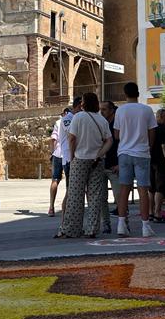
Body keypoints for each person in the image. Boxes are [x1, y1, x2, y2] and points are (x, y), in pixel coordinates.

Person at [55, 93, 112, 239]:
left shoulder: (78, 117)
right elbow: (109, 140)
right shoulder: (101, 120)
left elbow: (72, 138)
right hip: (96, 161)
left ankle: (71, 229)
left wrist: (72, 155)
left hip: (80, 158)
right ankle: (91, 229)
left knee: (75, 195)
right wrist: (99, 154)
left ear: (84, 104)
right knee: (95, 195)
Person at [114, 82, 158, 238]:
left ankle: (121, 224)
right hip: (141, 152)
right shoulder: (146, 110)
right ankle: (145, 226)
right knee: (143, 190)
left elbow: (117, 135)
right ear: (138, 93)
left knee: (124, 189)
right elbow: (152, 132)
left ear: (125, 93)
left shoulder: (120, 111)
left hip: (124, 152)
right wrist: (149, 147)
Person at [48, 105, 73, 217]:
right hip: (68, 154)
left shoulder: (59, 122)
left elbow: (53, 139)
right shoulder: (74, 120)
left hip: (58, 153)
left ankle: (51, 207)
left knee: (55, 180)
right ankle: (67, 207)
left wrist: (52, 153)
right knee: (70, 182)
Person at [149, 109, 165, 222]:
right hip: (160, 162)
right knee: (160, 188)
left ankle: (150, 212)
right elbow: (164, 147)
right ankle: (157, 213)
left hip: (150, 160)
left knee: (151, 188)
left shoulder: (151, 128)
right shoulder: (162, 130)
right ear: (161, 117)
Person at [99, 100, 120, 234]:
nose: (101, 112)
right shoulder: (100, 124)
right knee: (101, 198)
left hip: (114, 166)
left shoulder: (117, 125)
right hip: (101, 165)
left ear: (112, 110)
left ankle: (124, 223)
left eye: (104, 109)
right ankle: (106, 223)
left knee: (119, 196)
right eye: (100, 109)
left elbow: (122, 144)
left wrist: (120, 163)